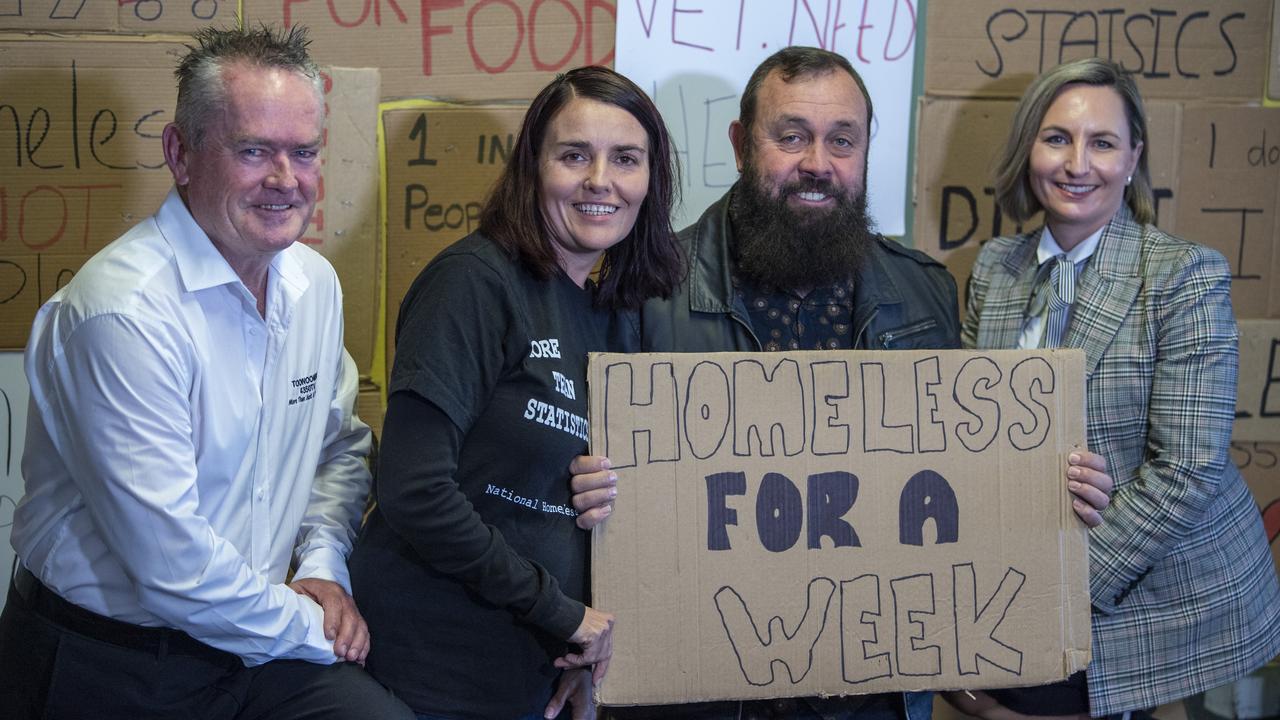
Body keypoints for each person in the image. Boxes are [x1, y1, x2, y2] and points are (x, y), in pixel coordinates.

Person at [569, 46, 1113, 720]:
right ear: (742, 144)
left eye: (841, 140)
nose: (817, 165)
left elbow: (964, 479)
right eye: (790, 136)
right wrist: (588, 486)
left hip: (871, 693)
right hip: (701, 686)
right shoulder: (646, 291)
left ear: (864, 149)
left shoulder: (925, 294)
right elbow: (575, 463)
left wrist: (1049, 483)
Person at [0, 24, 412, 720]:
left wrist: (321, 570)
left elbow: (337, 449)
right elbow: (174, 569)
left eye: (304, 152)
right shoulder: (121, 314)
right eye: (254, 150)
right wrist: (319, 628)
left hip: (255, 638)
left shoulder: (314, 285)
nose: (286, 180)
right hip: (111, 662)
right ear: (180, 153)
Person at [347, 66, 684, 720]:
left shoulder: (619, 312)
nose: (599, 181)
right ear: (533, 166)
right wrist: (561, 613)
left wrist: (591, 650)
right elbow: (414, 491)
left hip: (531, 671)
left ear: (651, 181)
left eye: (626, 159)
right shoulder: (473, 285)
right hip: (430, 666)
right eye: (574, 155)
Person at [947, 57, 1280, 719]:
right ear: (1028, 149)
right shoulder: (995, 268)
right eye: (1057, 138)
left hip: (1152, 587)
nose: (1077, 163)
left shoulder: (1184, 275)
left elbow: (1189, 469)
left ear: (1133, 160)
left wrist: (1055, 589)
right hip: (1022, 561)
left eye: (1102, 143)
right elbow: (968, 426)